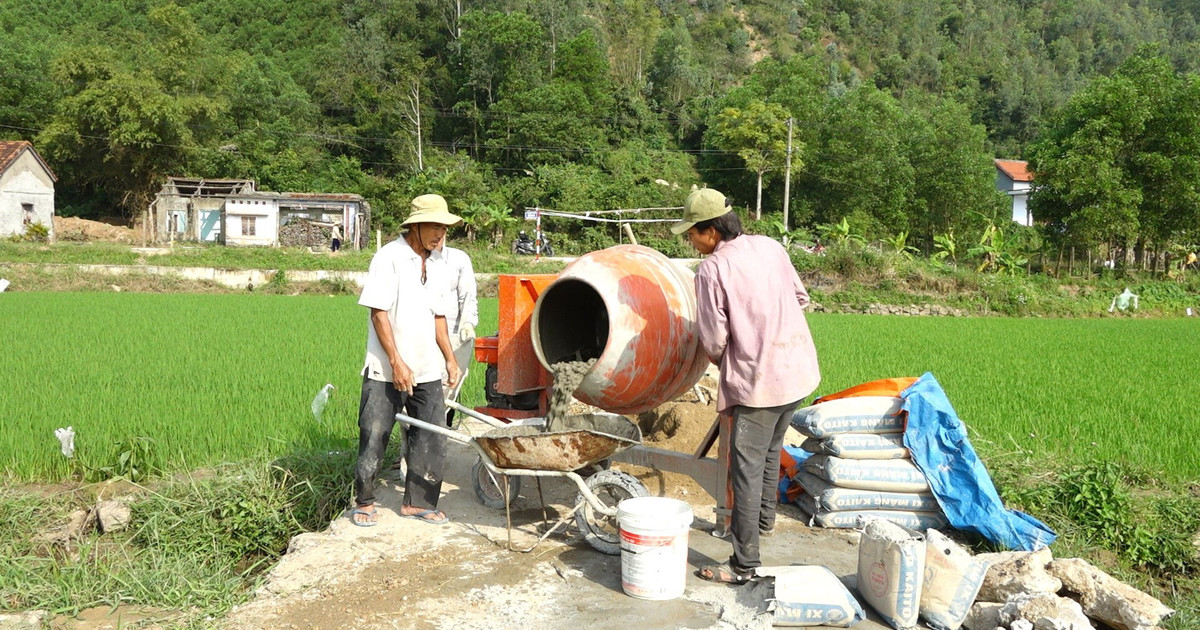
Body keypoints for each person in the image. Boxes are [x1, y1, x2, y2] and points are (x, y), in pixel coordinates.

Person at [673, 188, 821, 585]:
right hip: (798, 368)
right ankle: (764, 525)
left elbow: (713, 339)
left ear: (711, 231)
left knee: (745, 468)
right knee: (771, 450)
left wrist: (735, 357)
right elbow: (800, 296)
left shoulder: (711, 270)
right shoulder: (770, 246)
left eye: (691, 233)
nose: (690, 241)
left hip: (758, 381)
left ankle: (743, 564)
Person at [350, 194, 462, 527]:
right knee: (374, 433)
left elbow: (438, 316)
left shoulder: (440, 263)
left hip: (427, 367)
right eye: (435, 226)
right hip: (387, 369)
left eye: (444, 227)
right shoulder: (389, 257)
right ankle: (365, 502)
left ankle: (418, 503)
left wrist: (450, 360)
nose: (441, 234)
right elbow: (378, 313)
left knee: (431, 436)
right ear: (415, 226)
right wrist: (397, 363)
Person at [440, 242, 478, 424]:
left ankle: (442, 436)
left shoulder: (458, 259)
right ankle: (408, 444)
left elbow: (468, 296)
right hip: (421, 340)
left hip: (453, 338)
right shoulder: (409, 259)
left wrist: (468, 323)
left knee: (447, 390)